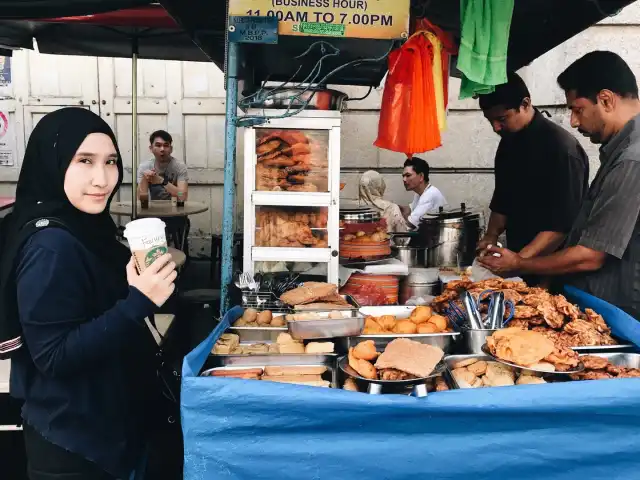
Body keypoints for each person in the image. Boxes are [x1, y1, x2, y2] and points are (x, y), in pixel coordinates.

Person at [0, 108, 177, 479]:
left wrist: (135, 286)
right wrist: (139, 302)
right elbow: (54, 356)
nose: (102, 179)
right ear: (53, 162)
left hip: (108, 429)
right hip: (78, 447)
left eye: (110, 161)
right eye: (84, 161)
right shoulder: (51, 245)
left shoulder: (85, 227)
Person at [480, 51, 640, 319]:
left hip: (621, 311)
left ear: (606, 100)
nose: (574, 122)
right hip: (598, 300)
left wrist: (520, 263)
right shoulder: (620, 150)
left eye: (577, 110)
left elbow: (590, 254)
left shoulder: (630, 159)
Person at [476, 72, 589, 283]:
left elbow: (562, 225)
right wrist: (490, 237)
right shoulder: (508, 143)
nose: (495, 128)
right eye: (490, 120)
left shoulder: (562, 149)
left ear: (526, 104)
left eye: (502, 119)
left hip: (555, 267)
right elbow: (502, 199)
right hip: (519, 262)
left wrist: (518, 261)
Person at [137, 130, 190, 250]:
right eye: (158, 145)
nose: (162, 149)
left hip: (174, 214)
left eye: (166, 145)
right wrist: (145, 180)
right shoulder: (144, 167)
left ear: (171, 149)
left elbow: (182, 195)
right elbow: (141, 198)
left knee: (183, 225)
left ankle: (182, 262)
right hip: (151, 214)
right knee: (137, 221)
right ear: (151, 148)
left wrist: (162, 181)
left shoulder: (178, 166)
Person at [400, 157, 447, 228]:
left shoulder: (430, 194)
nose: (404, 179)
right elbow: (409, 210)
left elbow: (411, 224)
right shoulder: (419, 193)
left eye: (408, 175)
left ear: (421, 176)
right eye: (403, 176)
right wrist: (391, 207)